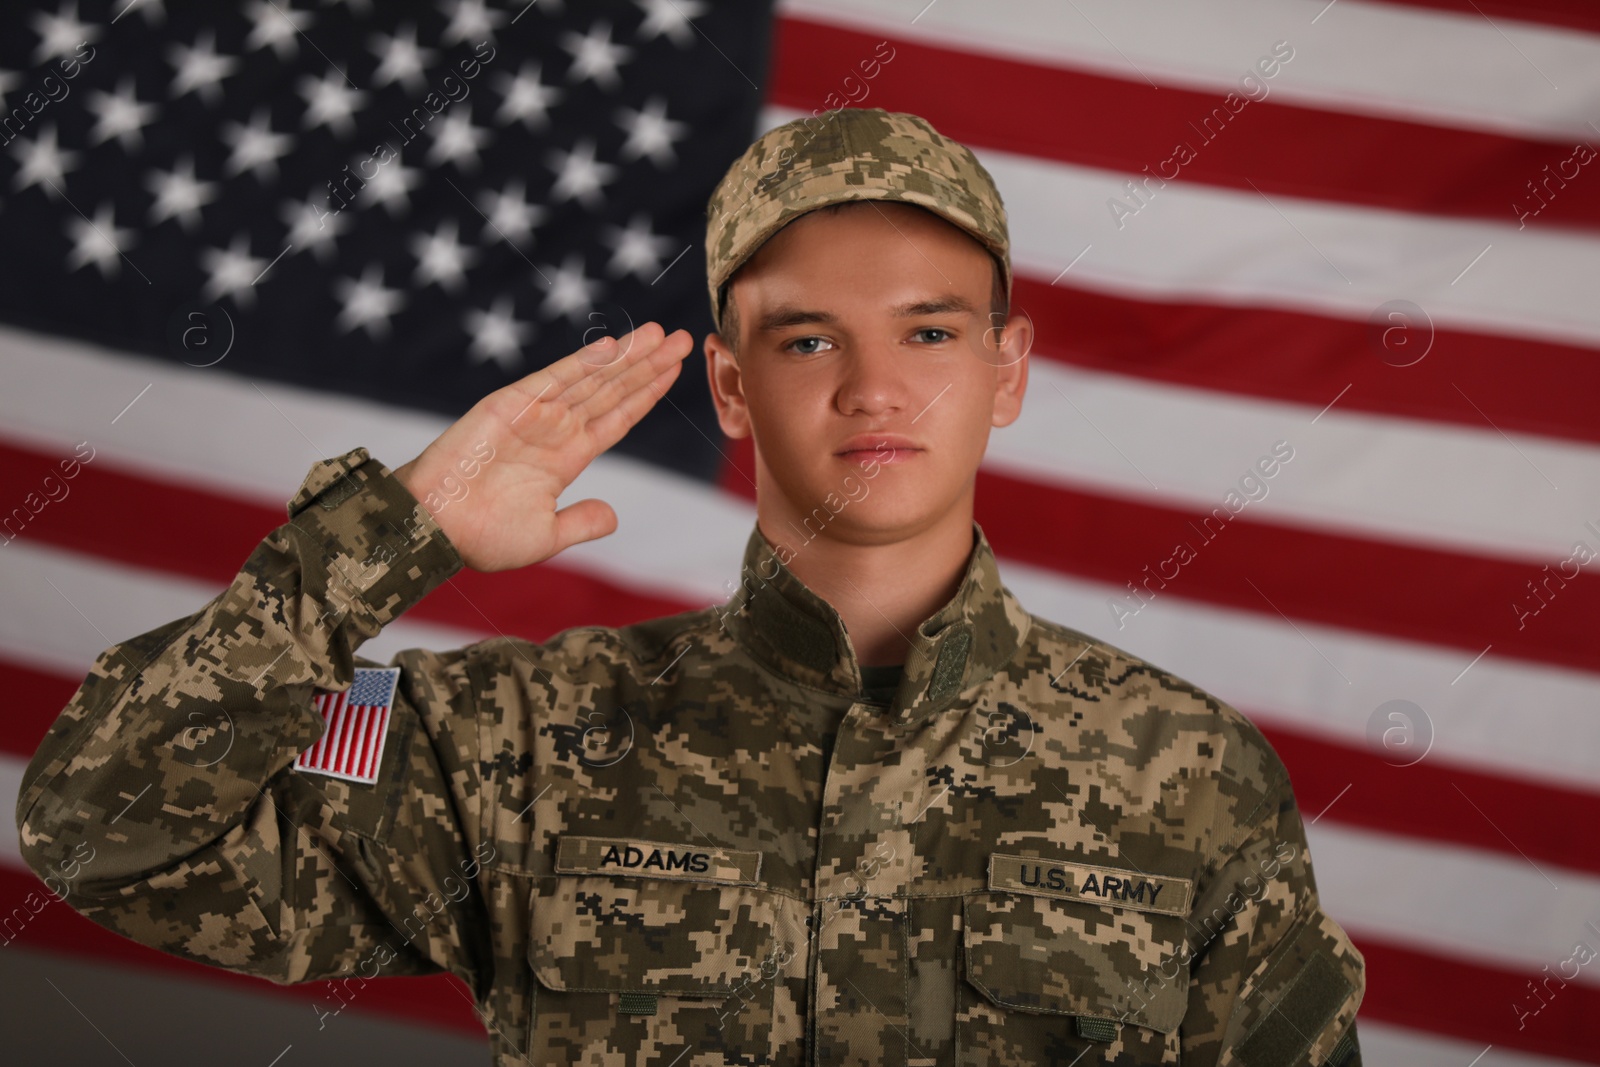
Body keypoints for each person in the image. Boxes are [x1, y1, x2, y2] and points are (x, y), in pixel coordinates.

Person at [15, 106, 1363, 1065]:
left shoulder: (1190, 773)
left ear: (1008, 371)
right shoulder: (523, 741)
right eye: (808, 337)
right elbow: (99, 831)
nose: (875, 388)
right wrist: (394, 531)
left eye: (933, 332)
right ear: (730, 384)